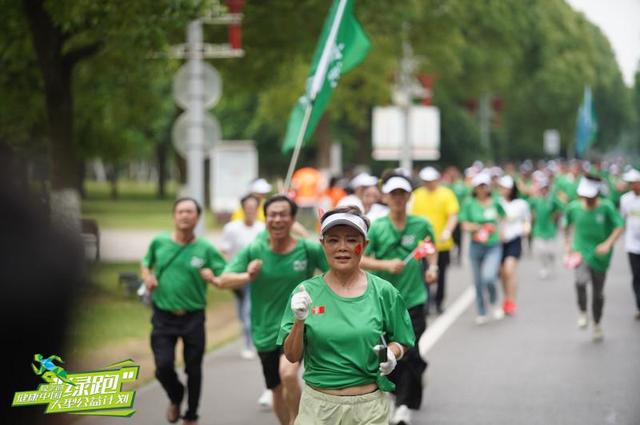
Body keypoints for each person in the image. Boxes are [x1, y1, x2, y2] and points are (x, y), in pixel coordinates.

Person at [277, 206, 415, 425]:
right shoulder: (305, 292)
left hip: (368, 408)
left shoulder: (384, 292)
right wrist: (299, 320)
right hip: (318, 408)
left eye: (352, 240)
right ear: (322, 244)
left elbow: (402, 339)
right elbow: (292, 356)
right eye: (333, 240)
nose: (342, 248)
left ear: (365, 245)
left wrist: (392, 353)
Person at [216, 195, 328, 425]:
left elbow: (336, 272)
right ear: (265, 219)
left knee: (288, 374)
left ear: (292, 219)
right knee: (277, 389)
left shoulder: (307, 249)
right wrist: (248, 276)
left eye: (283, 215)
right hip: (266, 330)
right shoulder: (255, 250)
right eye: (272, 215)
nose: (277, 220)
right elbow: (224, 279)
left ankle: (300, 421)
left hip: (299, 327)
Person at [360, 172, 438, 425]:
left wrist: (432, 268)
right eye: (393, 194)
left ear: (409, 197)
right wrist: (385, 265)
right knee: (387, 355)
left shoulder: (420, 224)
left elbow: (430, 247)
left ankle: (404, 404)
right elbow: (361, 259)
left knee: (407, 351)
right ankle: (400, 390)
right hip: (382, 302)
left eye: (402, 194)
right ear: (385, 196)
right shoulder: (377, 226)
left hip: (413, 299)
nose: (397, 198)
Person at [141, 197, 227, 425]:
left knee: (194, 368)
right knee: (162, 367)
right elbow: (146, 263)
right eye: (180, 211)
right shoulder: (159, 242)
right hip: (163, 316)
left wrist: (213, 276)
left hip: (193, 317)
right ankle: (176, 395)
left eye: (190, 212)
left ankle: (191, 414)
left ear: (197, 217)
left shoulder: (206, 248)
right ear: (174, 216)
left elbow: (224, 273)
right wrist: (147, 276)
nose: (185, 215)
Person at [564, 176, 624, 340]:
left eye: (591, 196)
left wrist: (608, 243)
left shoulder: (606, 207)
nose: (588, 200)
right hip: (580, 253)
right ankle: (583, 311)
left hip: (600, 256)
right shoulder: (574, 208)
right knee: (580, 282)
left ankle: (597, 323)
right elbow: (566, 225)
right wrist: (567, 244)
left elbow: (619, 226)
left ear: (597, 194)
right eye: (585, 196)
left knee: (598, 294)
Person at [219, 194, 265, 359]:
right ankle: (249, 338)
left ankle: (248, 345)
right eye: (248, 207)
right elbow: (224, 251)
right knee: (241, 313)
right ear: (243, 208)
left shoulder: (262, 228)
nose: (251, 210)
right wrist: (228, 271)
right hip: (236, 276)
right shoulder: (231, 228)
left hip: (254, 277)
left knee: (248, 311)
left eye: (254, 207)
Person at [410, 166, 460, 315]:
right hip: (422, 244)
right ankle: (425, 302)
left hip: (441, 243)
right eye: (426, 181)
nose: (429, 184)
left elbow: (453, 215)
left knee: (441, 274)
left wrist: (447, 231)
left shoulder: (446, 194)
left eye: (431, 181)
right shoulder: (416, 195)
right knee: (422, 273)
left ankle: (439, 301)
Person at [459, 172, 506, 324]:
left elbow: (503, 216)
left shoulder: (495, 201)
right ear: (475, 188)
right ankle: (481, 311)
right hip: (476, 246)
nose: (482, 189)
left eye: (484, 185)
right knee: (478, 281)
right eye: (479, 186)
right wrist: (479, 227)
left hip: (493, 245)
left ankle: (494, 301)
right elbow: (464, 224)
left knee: (489, 277)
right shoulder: (469, 203)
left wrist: (501, 231)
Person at [496, 175, 531, 315]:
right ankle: (506, 298)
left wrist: (526, 229)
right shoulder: (496, 202)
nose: (504, 190)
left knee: (509, 270)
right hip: (499, 241)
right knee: (502, 273)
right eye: (502, 188)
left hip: (514, 239)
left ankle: (511, 300)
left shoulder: (521, 204)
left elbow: (526, 220)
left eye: (507, 188)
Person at [528, 175, 563, 279]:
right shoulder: (535, 199)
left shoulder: (552, 199)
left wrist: (555, 216)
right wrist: (531, 217)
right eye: (542, 188)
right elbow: (527, 208)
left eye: (545, 188)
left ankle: (551, 263)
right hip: (538, 229)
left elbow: (561, 208)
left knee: (550, 252)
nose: (543, 190)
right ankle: (544, 268)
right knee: (542, 251)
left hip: (550, 229)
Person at [619, 168, 640, 320]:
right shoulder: (625, 199)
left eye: (635, 183)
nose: (633, 186)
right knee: (636, 276)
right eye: (630, 183)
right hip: (632, 244)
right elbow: (622, 221)